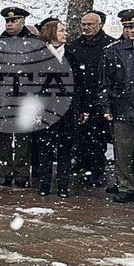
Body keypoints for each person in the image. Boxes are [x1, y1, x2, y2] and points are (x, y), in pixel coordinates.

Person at [97, 10, 134, 206]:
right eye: (128, 27)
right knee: (123, 151)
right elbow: (105, 82)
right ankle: (125, 187)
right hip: (121, 108)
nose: (132, 31)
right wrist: (106, 106)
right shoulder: (114, 50)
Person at [66, 11, 117, 190]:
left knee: (97, 139)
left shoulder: (110, 45)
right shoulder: (73, 46)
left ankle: (96, 171)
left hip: (99, 98)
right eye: (84, 24)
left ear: (100, 25)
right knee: (79, 136)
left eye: (91, 24)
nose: (87, 28)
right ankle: (81, 164)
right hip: (79, 98)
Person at [33, 21, 80, 197]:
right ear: (51, 33)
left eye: (65, 30)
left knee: (65, 149)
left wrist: (79, 107)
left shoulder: (71, 56)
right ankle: (44, 184)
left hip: (67, 110)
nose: (65, 33)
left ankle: (63, 185)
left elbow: (78, 85)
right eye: (61, 30)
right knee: (45, 148)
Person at [0, 6, 34, 187]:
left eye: (14, 20)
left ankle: (21, 173)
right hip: (3, 97)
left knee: (23, 139)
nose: (10, 24)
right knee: (3, 137)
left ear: (23, 21)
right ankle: (3, 171)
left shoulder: (35, 42)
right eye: (8, 21)